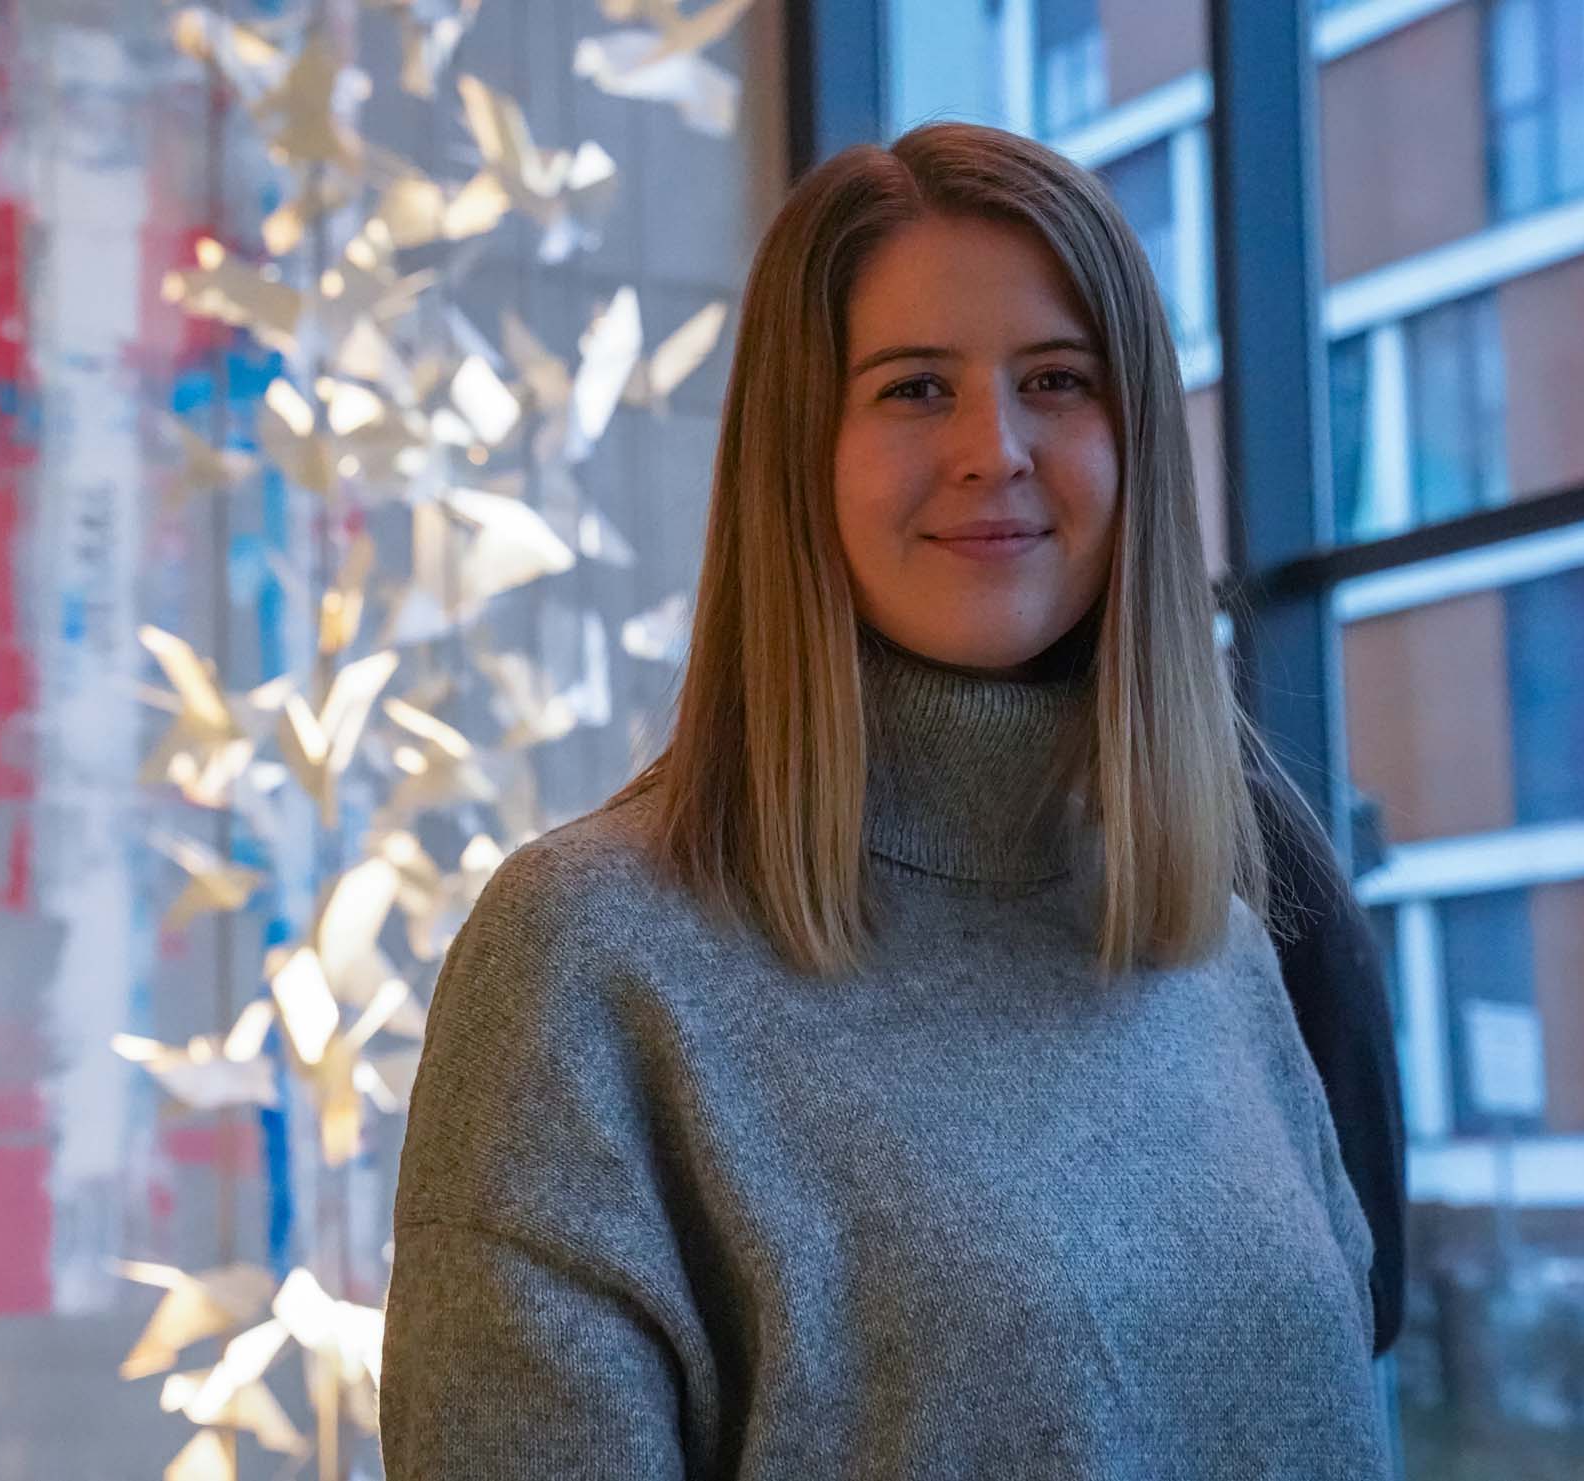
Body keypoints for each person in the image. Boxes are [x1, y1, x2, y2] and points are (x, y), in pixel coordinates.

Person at [381, 124, 1396, 1478]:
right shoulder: (587, 955)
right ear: (796, 457)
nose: (994, 448)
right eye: (915, 387)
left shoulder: (1217, 947)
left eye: (1056, 380)